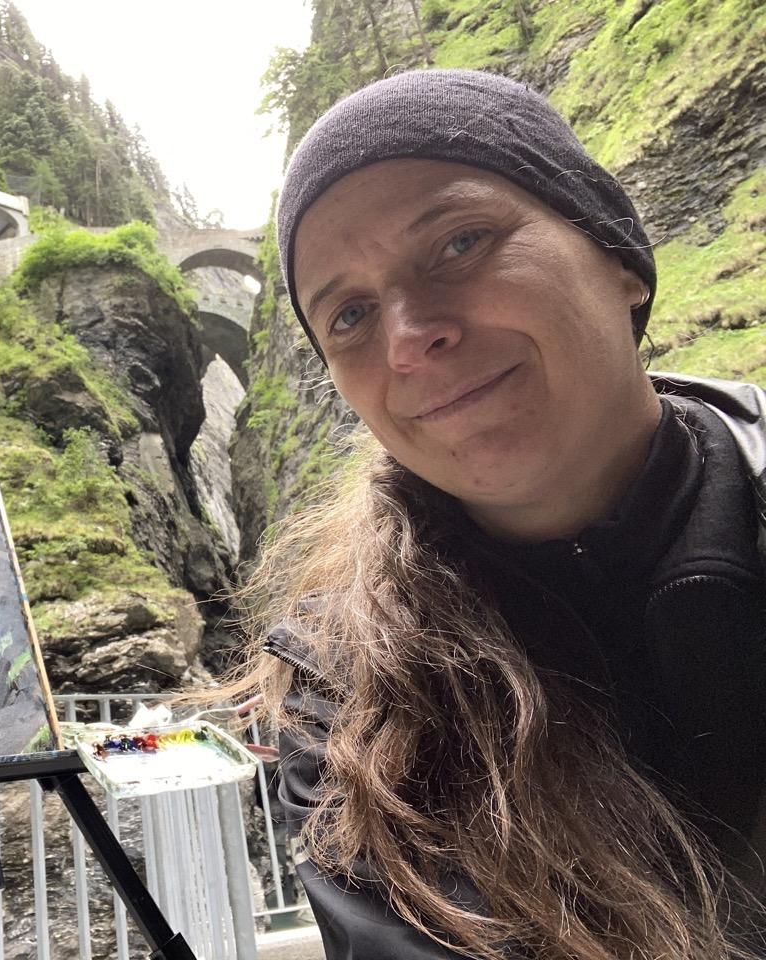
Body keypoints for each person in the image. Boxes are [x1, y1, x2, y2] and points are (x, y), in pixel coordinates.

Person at [234, 69, 766, 960]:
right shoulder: (345, 703)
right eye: (351, 314)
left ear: (618, 257)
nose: (410, 337)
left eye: (460, 242)